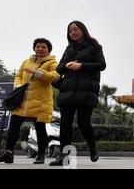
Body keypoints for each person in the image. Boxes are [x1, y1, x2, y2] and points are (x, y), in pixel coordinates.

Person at [49, 21, 106, 166]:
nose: (73, 33)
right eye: (70, 31)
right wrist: (66, 66)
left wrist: (81, 65)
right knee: (65, 124)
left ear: (83, 30)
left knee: (83, 123)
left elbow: (102, 65)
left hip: (86, 90)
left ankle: (92, 147)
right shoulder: (69, 49)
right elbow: (59, 68)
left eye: (75, 30)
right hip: (68, 90)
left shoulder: (94, 46)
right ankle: (64, 157)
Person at [0, 38, 59, 164]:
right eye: (38, 46)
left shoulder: (52, 62)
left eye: (43, 47)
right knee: (14, 126)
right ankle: (8, 153)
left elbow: (54, 77)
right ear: (34, 48)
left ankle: (41, 154)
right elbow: (18, 76)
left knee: (40, 128)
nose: (40, 49)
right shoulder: (26, 62)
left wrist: (37, 72)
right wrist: (18, 85)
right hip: (22, 101)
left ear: (48, 50)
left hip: (41, 101)